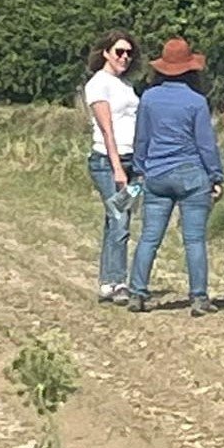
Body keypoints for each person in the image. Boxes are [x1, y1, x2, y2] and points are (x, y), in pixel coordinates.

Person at [127, 38, 224, 316]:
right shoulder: (196, 102)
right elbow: (206, 144)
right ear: (190, 69)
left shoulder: (148, 98)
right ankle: (198, 298)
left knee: (149, 238)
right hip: (191, 174)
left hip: (156, 174)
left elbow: (142, 138)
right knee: (194, 240)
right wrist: (215, 176)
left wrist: (140, 169)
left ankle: (137, 293)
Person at [82, 30, 140, 305]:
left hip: (132, 159)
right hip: (107, 161)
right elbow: (107, 130)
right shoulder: (98, 84)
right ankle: (118, 281)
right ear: (105, 53)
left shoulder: (126, 85)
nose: (125, 57)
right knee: (120, 218)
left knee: (114, 219)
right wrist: (117, 168)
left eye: (129, 53)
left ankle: (107, 281)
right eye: (119, 52)